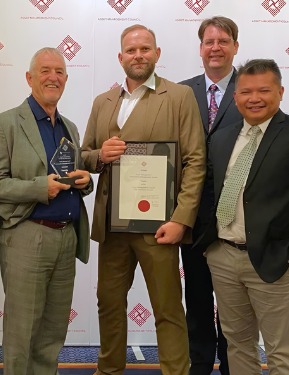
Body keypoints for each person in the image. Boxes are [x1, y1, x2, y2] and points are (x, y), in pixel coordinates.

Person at [81, 25, 206, 375]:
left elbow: (195, 161)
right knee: (108, 304)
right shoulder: (103, 102)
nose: (139, 55)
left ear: (157, 53)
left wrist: (181, 219)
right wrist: (100, 156)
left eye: (145, 49)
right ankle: (109, 370)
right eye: (132, 50)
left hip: (160, 226)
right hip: (113, 226)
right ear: (121, 57)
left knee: (167, 309)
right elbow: (84, 156)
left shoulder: (179, 97)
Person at [198, 59, 289, 375]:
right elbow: (211, 193)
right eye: (246, 92)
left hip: (276, 261)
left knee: (282, 353)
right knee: (237, 345)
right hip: (223, 257)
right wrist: (209, 247)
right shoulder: (221, 138)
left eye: (264, 90)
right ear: (235, 97)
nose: (254, 98)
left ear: (280, 92)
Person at [0, 47, 93, 375]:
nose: (52, 77)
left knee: (53, 331)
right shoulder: (4, 124)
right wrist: (38, 188)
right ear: (29, 78)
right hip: (26, 235)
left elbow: (71, 175)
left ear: (66, 79)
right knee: (22, 331)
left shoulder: (69, 127)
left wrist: (85, 181)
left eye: (59, 72)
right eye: (45, 71)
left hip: (67, 238)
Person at [178, 16, 244, 375]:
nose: (215, 48)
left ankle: (233, 364)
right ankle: (200, 363)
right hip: (192, 215)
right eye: (209, 41)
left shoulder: (249, 88)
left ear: (235, 46)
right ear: (201, 48)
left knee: (235, 300)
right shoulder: (181, 92)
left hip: (238, 214)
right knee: (198, 295)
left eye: (223, 41)